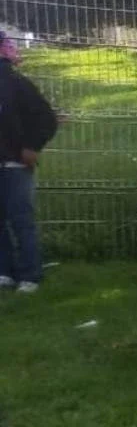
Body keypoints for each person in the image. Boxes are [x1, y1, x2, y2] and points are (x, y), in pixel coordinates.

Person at [0, 31, 58, 293]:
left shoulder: (16, 83)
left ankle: (30, 275)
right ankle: (5, 272)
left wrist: (31, 147)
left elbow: (46, 118)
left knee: (20, 220)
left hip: (15, 165)